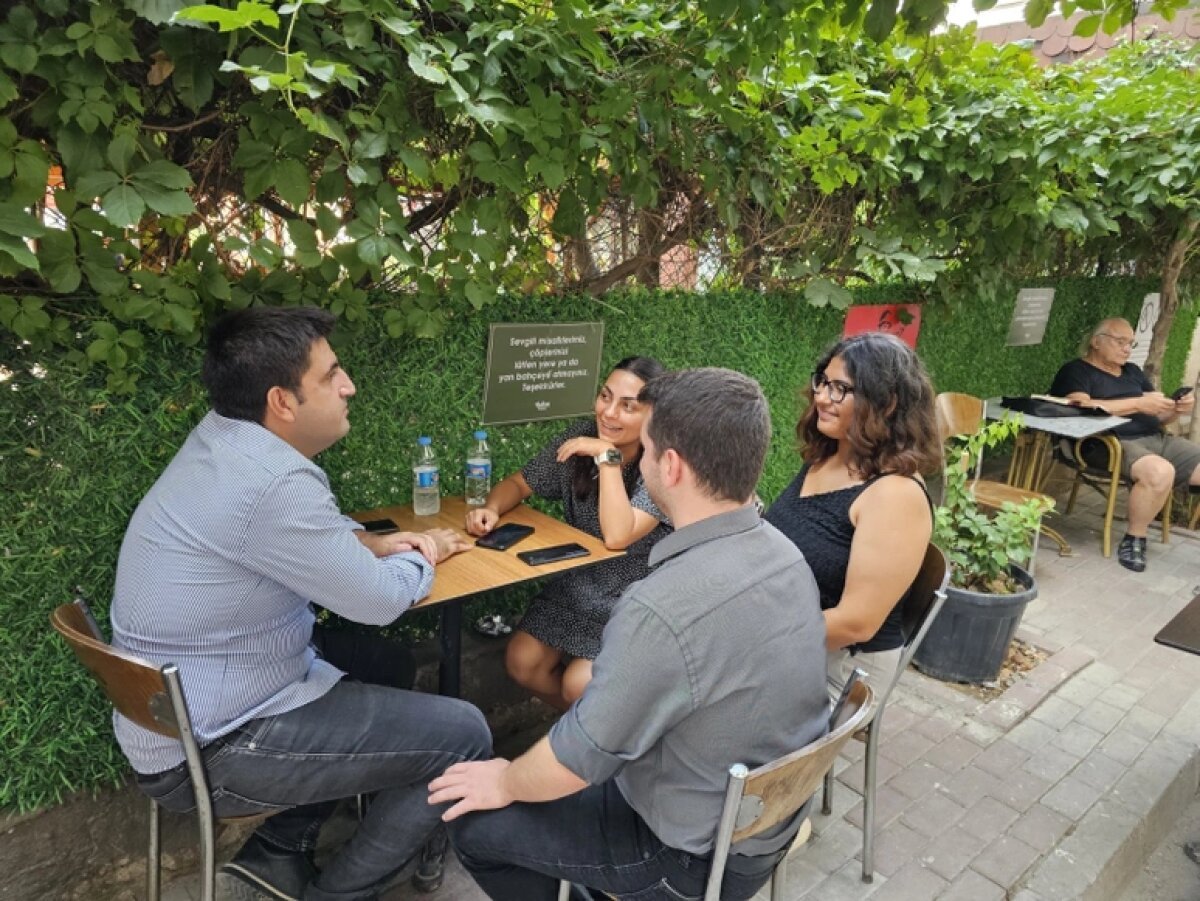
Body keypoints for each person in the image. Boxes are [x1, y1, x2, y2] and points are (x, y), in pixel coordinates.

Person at [110, 307, 493, 901]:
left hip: (180, 709)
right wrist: (426, 553)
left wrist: (371, 542)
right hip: (214, 745)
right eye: (332, 375)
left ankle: (281, 848)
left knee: (387, 665)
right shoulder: (273, 482)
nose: (349, 387)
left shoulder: (224, 438)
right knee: (464, 735)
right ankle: (340, 892)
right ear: (282, 402)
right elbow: (380, 601)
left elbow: (288, 534)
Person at [430, 367, 829, 901]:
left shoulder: (661, 607)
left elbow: (576, 760)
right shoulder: (787, 556)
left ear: (670, 466)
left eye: (647, 446)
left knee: (473, 824)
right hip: (762, 823)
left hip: (685, 854)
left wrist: (503, 780)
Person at [464, 357, 671, 709]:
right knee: (522, 662)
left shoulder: (660, 465)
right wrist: (491, 509)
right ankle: (584, 731)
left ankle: (595, 732)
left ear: (654, 416)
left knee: (578, 685)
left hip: (634, 596)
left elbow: (617, 536)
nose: (608, 413)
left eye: (627, 406)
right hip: (580, 580)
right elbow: (519, 483)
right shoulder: (580, 438)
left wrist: (607, 458)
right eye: (605, 397)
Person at [765, 333, 942, 689]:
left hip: (839, 671)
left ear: (887, 403)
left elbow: (856, 624)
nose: (821, 397)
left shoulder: (895, 495)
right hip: (789, 637)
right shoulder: (828, 456)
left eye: (840, 389)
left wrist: (754, 637)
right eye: (823, 382)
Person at [1049, 317, 1200, 573]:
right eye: (1120, 342)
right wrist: (1138, 403)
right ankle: (1135, 539)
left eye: (1131, 343)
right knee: (1160, 472)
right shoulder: (1076, 371)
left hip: (1156, 437)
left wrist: (1176, 409)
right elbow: (1081, 408)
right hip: (1108, 442)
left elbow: (1158, 416)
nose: (1127, 349)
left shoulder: (1132, 371)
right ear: (1096, 342)